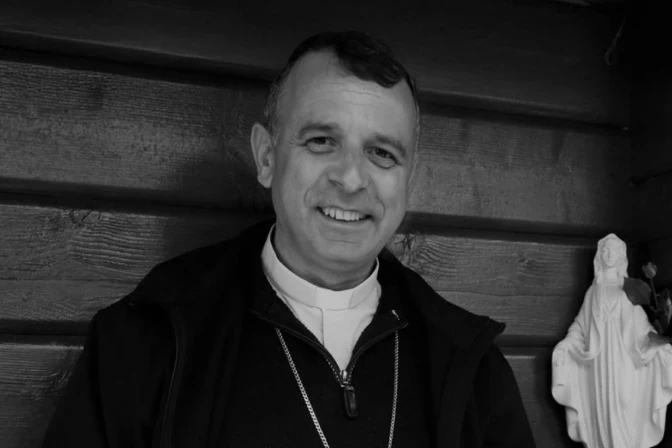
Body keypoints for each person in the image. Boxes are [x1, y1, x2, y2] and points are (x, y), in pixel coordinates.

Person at [43, 31, 535, 448]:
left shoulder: (469, 365)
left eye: (382, 153)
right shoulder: (149, 340)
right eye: (321, 141)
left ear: (409, 180)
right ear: (266, 157)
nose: (351, 178)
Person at [552, 233, 672, 448]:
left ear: (621, 256)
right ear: (600, 255)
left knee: (625, 401)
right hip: (600, 360)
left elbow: (642, 326)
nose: (608, 254)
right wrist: (566, 344)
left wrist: (659, 344)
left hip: (624, 356)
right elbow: (580, 326)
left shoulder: (629, 289)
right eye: (605, 250)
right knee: (603, 404)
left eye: (613, 250)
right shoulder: (594, 291)